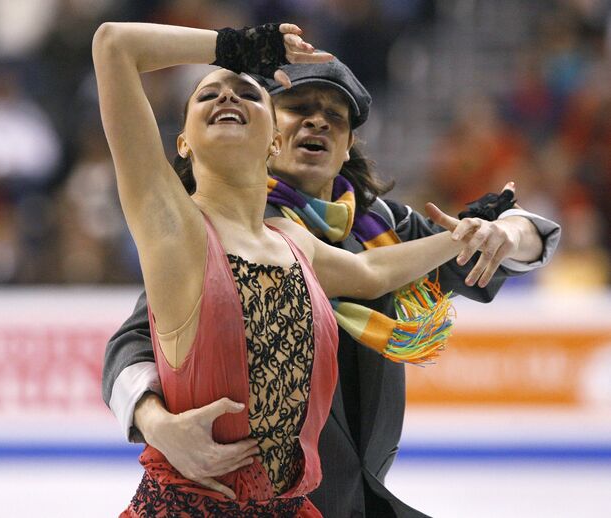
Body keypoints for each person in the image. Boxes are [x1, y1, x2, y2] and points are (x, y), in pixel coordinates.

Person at [101, 31, 562, 518]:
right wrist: (155, 421)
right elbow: (134, 342)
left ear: (343, 147)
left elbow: (374, 270)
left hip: (335, 501)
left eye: (335, 118)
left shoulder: (377, 229)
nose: (317, 121)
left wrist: (498, 231)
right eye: (299, 107)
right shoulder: (182, 231)